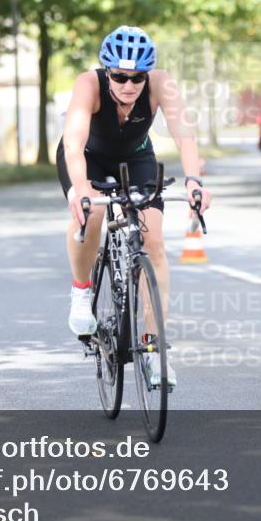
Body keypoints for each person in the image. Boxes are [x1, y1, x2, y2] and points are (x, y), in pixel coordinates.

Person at [56, 26, 212, 384]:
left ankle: (155, 350)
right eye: (121, 77)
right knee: (92, 212)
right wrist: (80, 188)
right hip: (87, 159)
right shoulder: (89, 84)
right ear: (108, 72)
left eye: (137, 78)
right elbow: (73, 143)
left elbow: (184, 134)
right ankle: (81, 291)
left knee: (153, 241)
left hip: (136, 159)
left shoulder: (161, 84)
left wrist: (194, 181)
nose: (129, 86)